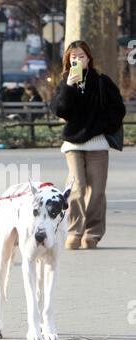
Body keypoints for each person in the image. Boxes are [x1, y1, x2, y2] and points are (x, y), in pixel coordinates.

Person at [51, 40, 125, 250]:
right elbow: (60, 110)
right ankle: (74, 231)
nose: (77, 60)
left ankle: (92, 233)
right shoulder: (65, 81)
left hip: (98, 143)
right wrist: (68, 87)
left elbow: (118, 109)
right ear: (68, 59)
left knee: (97, 191)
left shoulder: (102, 82)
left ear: (89, 59)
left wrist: (103, 125)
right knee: (77, 187)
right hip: (73, 144)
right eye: (73, 57)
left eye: (81, 56)